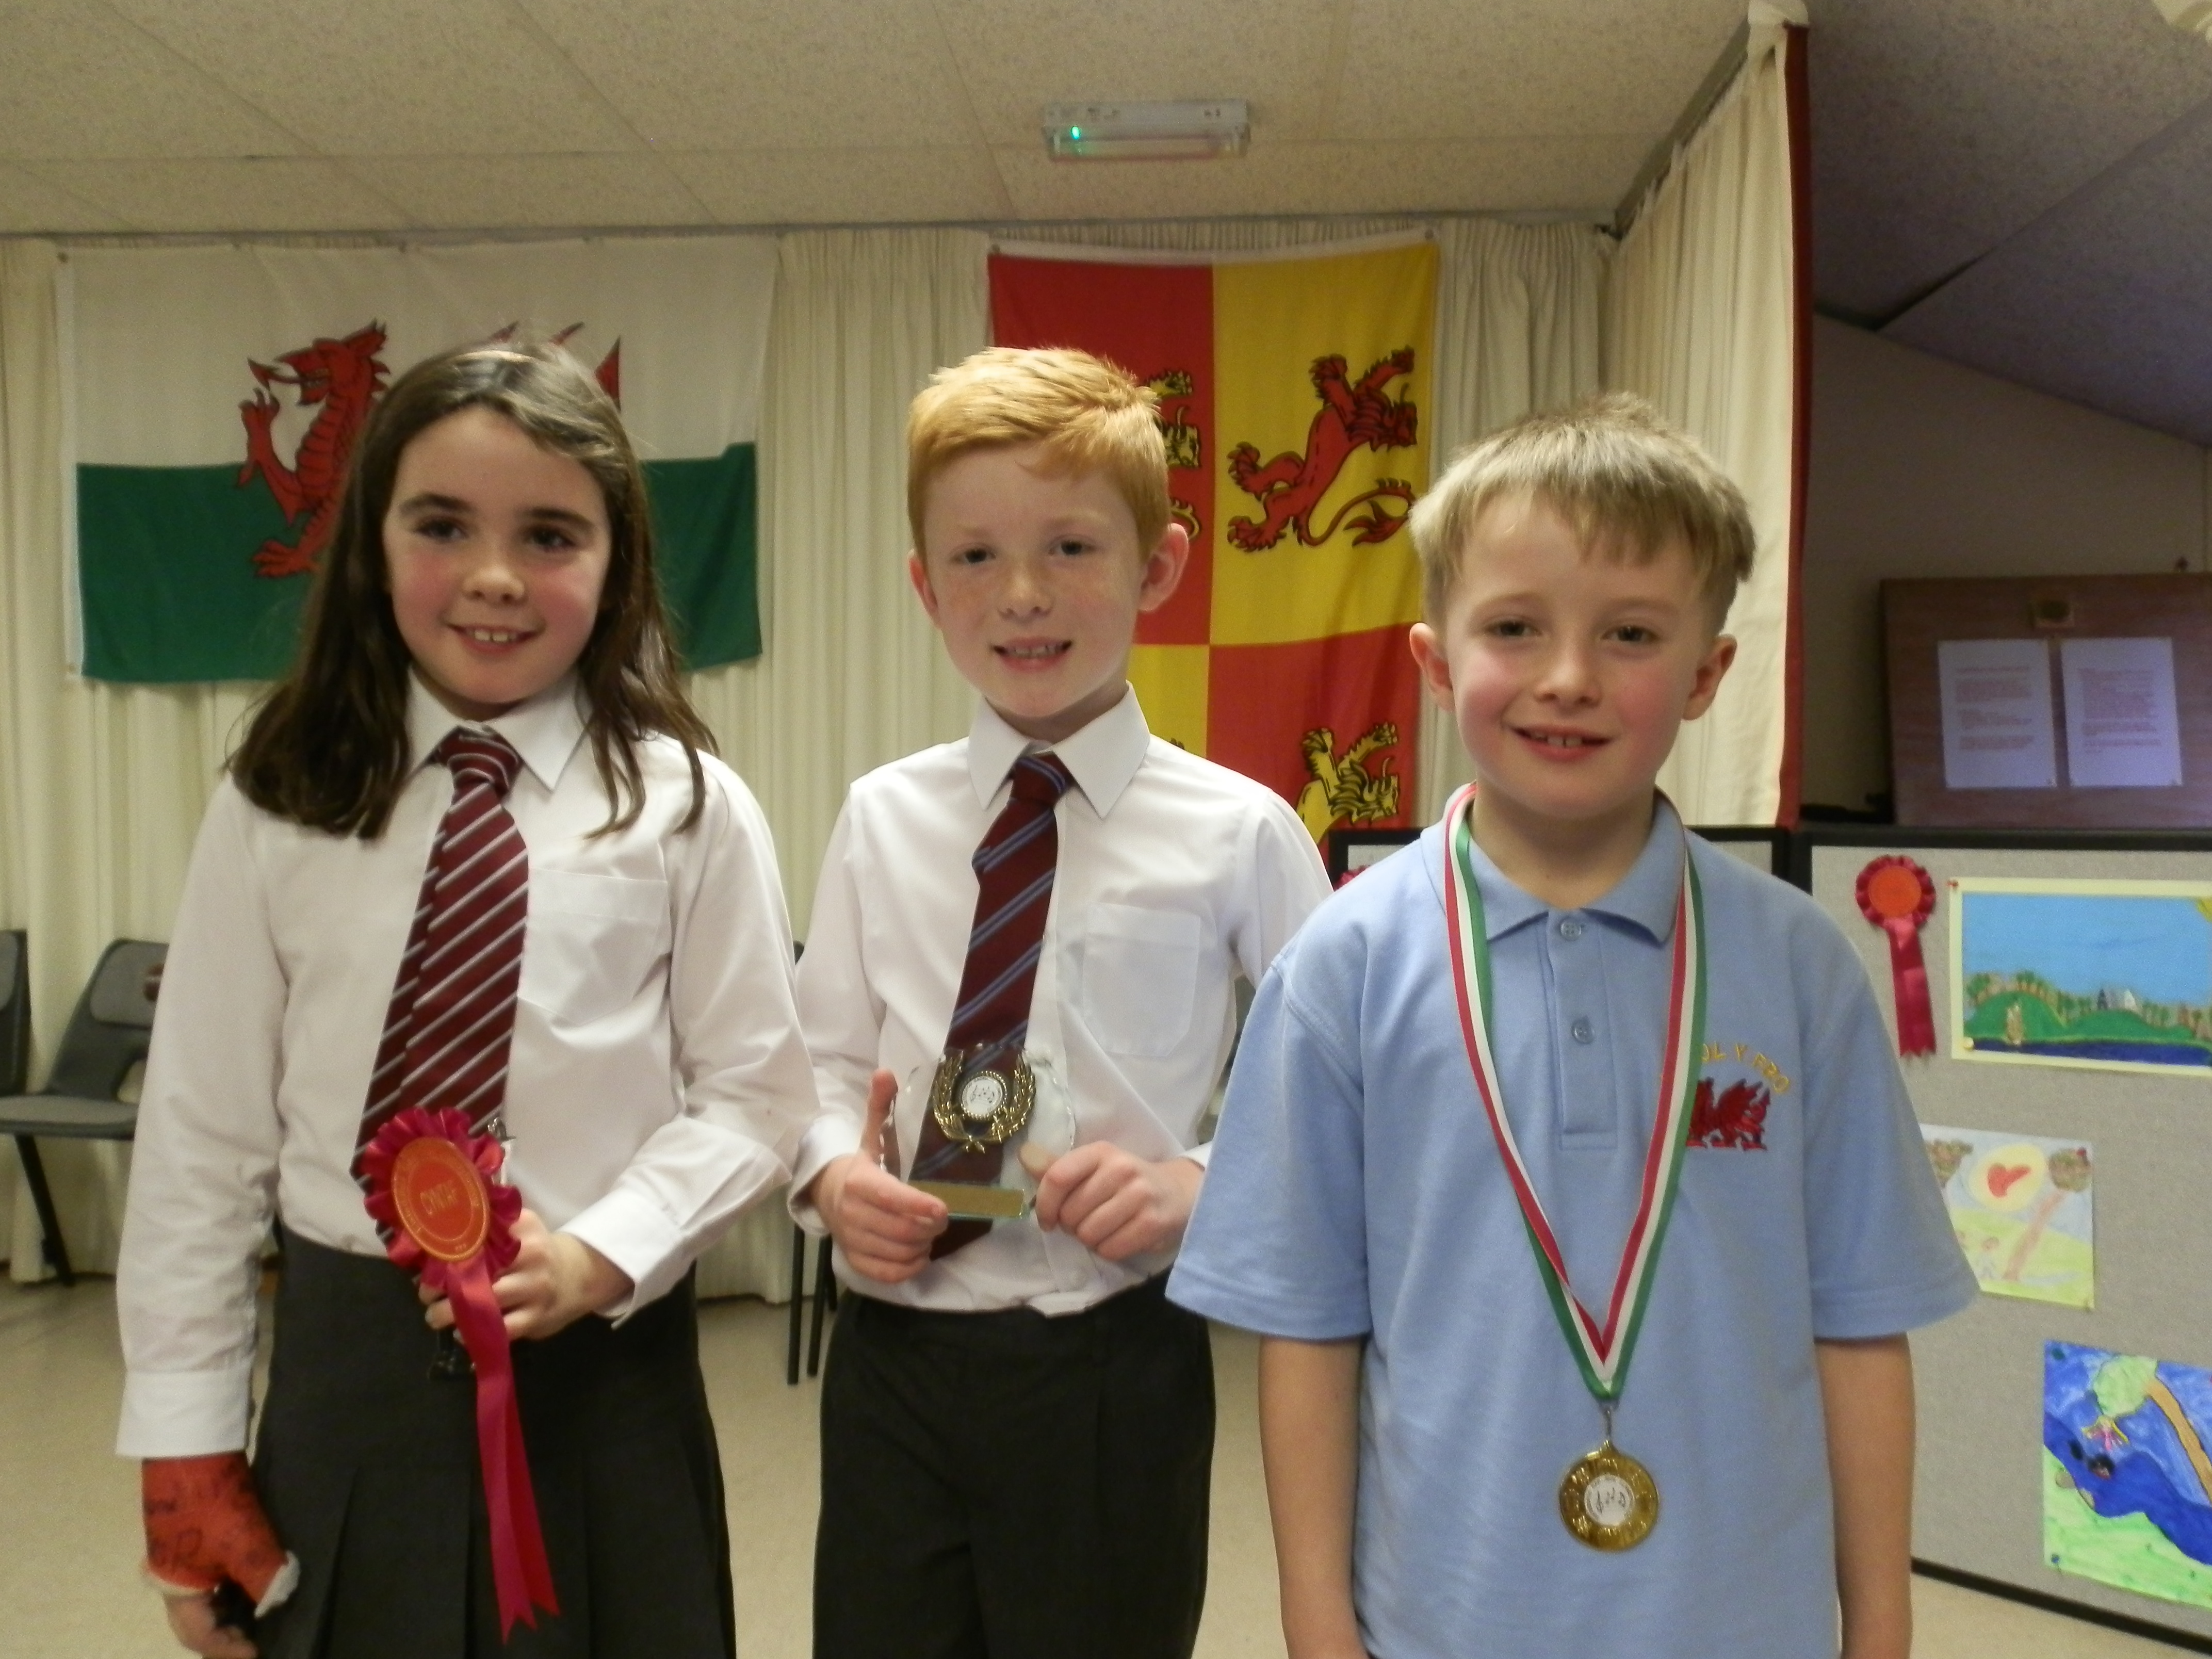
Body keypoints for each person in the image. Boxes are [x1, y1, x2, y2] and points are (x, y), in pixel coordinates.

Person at [1168, 394, 1976, 1659]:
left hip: (1743, 1619)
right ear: (1438, 663)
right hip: (1445, 1614)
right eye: (1514, 627)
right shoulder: (1342, 965)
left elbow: (1858, 1323)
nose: (1566, 678)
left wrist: (1877, 1624)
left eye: (1630, 633)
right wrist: (1317, 1624)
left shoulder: (1798, 967)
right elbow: (1306, 1330)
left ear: (1704, 676)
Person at [115, 338, 816, 1659]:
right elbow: (202, 1141)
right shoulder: (280, 799)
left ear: (615, 564)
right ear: (372, 547)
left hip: (604, 1388)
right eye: (442, 526)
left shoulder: (685, 806)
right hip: (346, 1390)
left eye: (549, 534)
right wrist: (186, 1447)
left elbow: (756, 1097)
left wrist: (604, 1251)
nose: (494, 576)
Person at [791, 346, 1331, 1659]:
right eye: (974, 557)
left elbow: (1335, 1096)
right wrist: (827, 1176)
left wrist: (1199, 1183)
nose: (1021, 594)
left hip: (1111, 1357)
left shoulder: (1241, 833)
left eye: (1071, 548)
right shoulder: (881, 818)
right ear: (924, 587)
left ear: (1157, 567)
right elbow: (815, 1064)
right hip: (895, 1358)